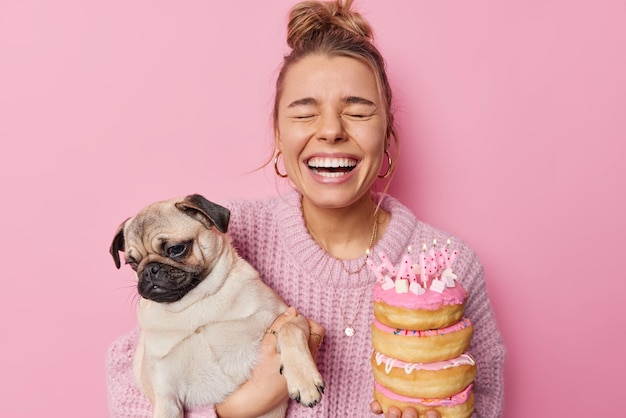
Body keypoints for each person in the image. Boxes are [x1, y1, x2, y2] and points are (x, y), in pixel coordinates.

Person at [106, 1, 505, 417]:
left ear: (388, 131)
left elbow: (486, 394)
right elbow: (131, 379)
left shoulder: (447, 264)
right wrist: (238, 408)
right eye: (305, 113)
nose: (331, 130)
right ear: (279, 134)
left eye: (357, 111)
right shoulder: (222, 232)